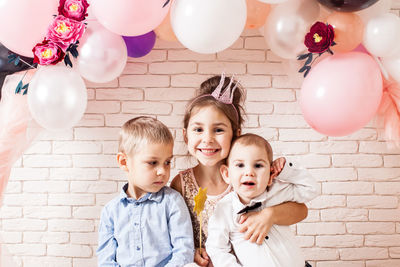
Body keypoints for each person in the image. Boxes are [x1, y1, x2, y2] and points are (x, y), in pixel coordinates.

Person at [170, 74, 309, 266]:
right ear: (186, 136)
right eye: (198, 130)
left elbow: (301, 210)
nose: (207, 139)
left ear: (236, 134)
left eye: (218, 130)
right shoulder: (181, 184)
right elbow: (175, 234)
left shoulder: (249, 175)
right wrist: (192, 250)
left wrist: (270, 215)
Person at [206, 133, 318, 267]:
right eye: (240, 165)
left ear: (271, 174)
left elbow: (311, 189)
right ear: (227, 174)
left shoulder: (278, 192)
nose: (249, 172)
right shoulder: (224, 208)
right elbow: (217, 248)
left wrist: (286, 169)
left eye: (258, 166)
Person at [97, 116, 194, 267]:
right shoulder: (111, 212)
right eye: (152, 163)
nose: (162, 171)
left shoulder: (172, 202)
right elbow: (106, 260)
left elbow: (184, 252)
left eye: (167, 162)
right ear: (124, 162)